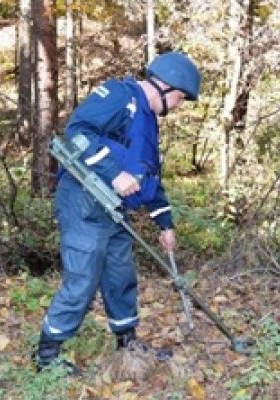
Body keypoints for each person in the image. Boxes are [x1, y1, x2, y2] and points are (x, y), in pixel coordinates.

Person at [34, 52, 202, 372]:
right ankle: (48, 355)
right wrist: (114, 172)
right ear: (165, 86)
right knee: (83, 277)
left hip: (116, 211)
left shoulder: (147, 124)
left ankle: (127, 342)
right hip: (83, 203)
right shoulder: (118, 95)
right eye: (180, 97)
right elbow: (78, 131)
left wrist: (165, 223)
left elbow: (149, 178)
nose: (179, 105)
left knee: (120, 276)